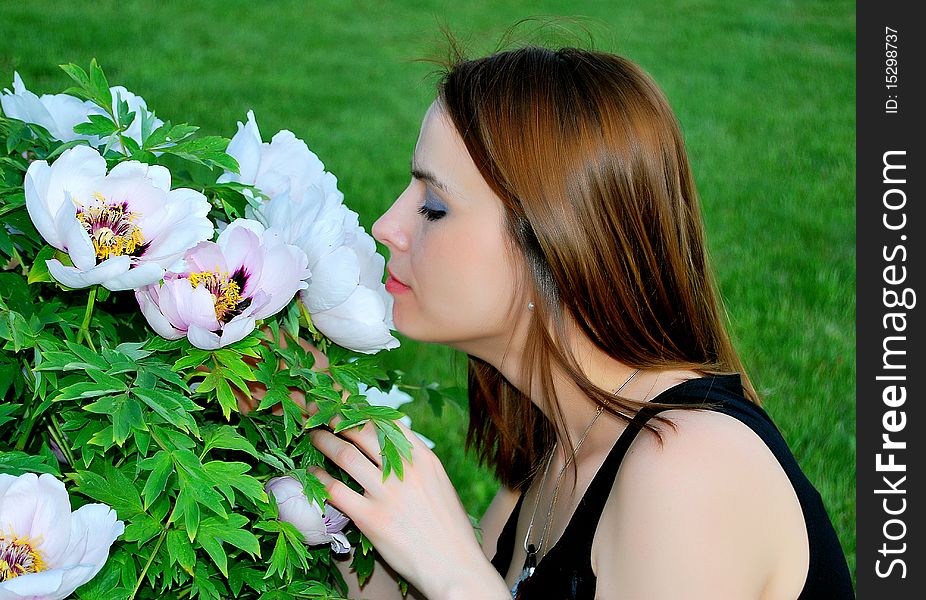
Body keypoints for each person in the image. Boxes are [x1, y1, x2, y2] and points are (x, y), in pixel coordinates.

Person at [306, 46, 854, 599]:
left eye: (434, 206)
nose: (387, 225)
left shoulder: (688, 470)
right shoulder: (553, 457)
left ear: (552, 246)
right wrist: (304, 411)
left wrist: (454, 571)